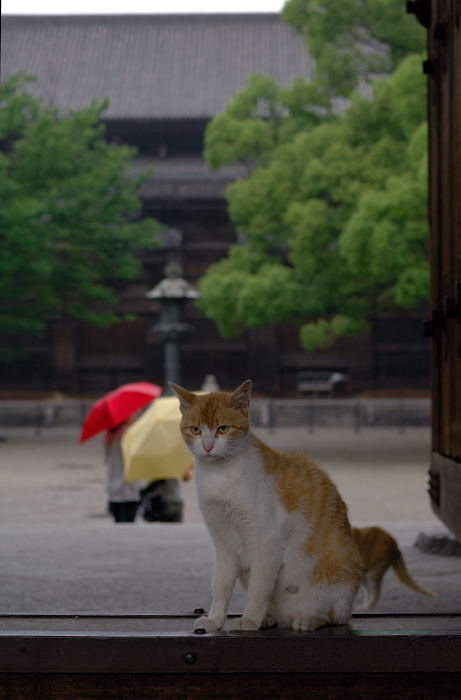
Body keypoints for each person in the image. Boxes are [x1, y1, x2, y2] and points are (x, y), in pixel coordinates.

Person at [105, 414, 143, 523]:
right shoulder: (128, 434)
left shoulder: (110, 435)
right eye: (134, 413)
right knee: (127, 528)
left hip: (114, 491)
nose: (135, 416)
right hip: (128, 491)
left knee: (119, 527)